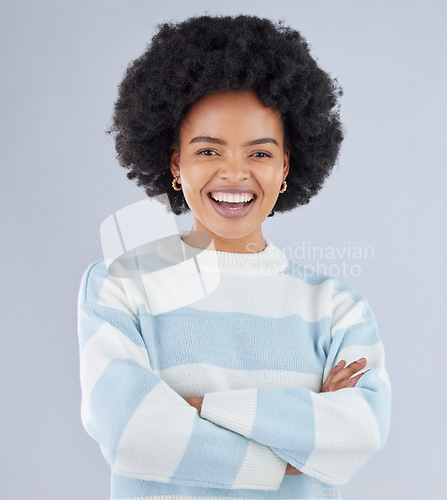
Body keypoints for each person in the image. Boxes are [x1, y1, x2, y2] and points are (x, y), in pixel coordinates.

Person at [76, 14, 391, 500]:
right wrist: (294, 451)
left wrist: (195, 408)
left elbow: (361, 431)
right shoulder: (119, 285)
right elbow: (131, 433)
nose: (234, 174)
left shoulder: (337, 308)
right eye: (208, 150)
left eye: (260, 154)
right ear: (176, 163)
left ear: (287, 165)